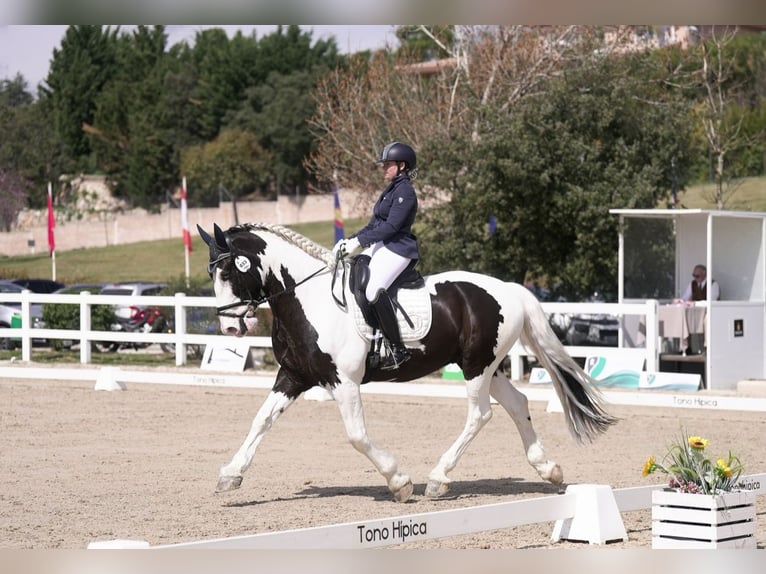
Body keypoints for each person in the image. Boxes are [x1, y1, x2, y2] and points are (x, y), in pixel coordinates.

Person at [332, 142, 420, 370]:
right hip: (383, 244)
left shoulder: (405, 192)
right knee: (352, 273)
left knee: (373, 289)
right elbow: (374, 225)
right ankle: (366, 338)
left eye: (388, 165)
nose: (384, 168)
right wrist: (350, 240)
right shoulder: (390, 189)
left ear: (402, 166)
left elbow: (391, 227)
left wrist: (360, 242)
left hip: (399, 247)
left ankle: (398, 349)